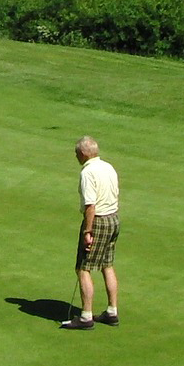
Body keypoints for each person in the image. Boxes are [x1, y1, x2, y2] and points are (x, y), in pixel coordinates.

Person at [61, 136, 119, 330]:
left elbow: (90, 205)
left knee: (83, 268)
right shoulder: (108, 166)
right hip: (114, 218)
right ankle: (112, 311)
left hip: (98, 221)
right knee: (107, 265)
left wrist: (88, 231)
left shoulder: (88, 172)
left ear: (83, 153)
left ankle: (86, 316)